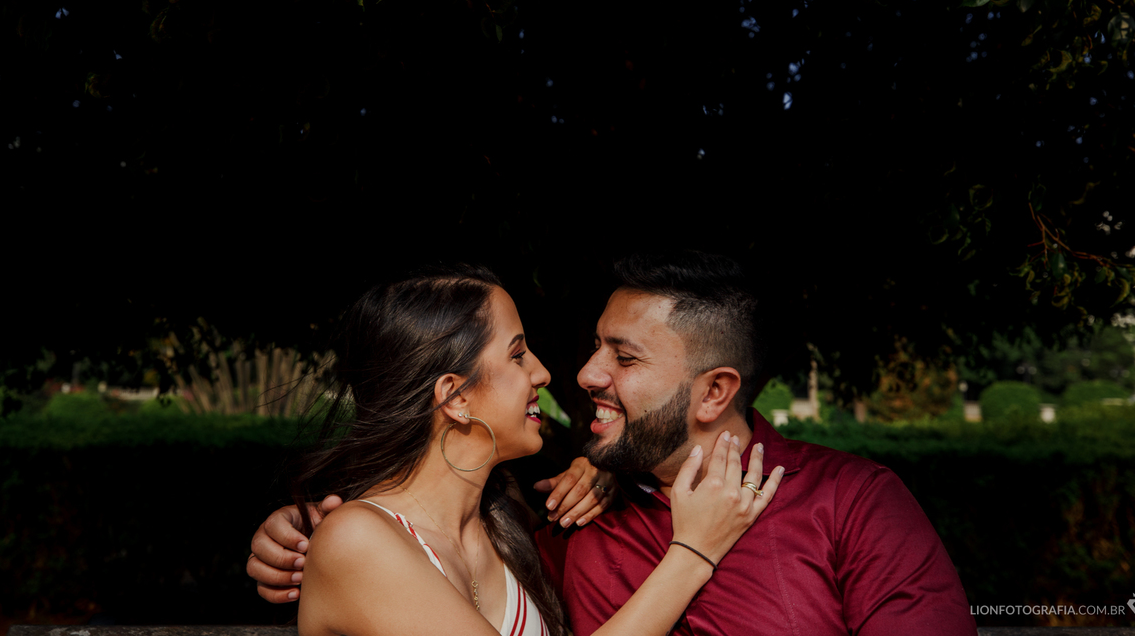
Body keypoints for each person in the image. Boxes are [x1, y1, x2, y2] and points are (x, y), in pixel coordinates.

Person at [251, 253, 978, 635]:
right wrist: (310, 536)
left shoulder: (854, 506)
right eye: (595, 346)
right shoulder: (571, 523)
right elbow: (390, 547)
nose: (579, 374)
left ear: (715, 392)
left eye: (623, 358)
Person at [277, 265, 783, 636]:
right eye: (518, 355)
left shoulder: (505, 521)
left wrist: (609, 469)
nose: (542, 373)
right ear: (455, 397)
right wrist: (693, 551)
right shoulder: (357, 540)